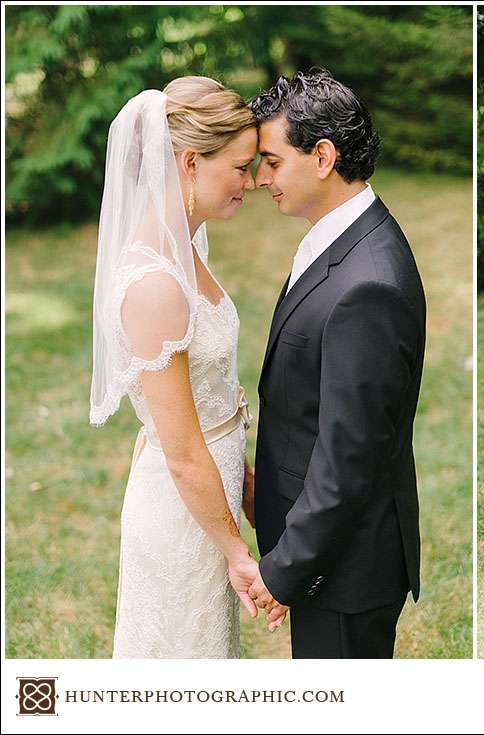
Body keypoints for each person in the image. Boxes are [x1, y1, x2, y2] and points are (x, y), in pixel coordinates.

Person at [244, 70, 427, 658]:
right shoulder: (335, 239)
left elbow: (350, 453)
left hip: (346, 566)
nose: (259, 179)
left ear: (322, 156)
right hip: (332, 549)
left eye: (271, 161)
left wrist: (286, 568)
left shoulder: (367, 282)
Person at [89, 77, 261, 657]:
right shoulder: (156, 286)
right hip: (182, 518)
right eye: (240, 167)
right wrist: (238, 550)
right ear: (189, 162)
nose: (252, 181)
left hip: (214, 498)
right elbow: (184, 452)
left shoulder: (185, 244)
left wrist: (248, 482)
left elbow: (210, 397)